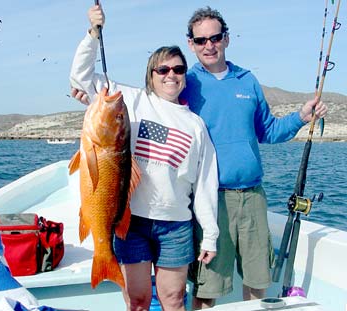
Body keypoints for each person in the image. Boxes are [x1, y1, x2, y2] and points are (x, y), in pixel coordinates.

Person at [69, 5, 219, 311]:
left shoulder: (195, 125)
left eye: (178, 69)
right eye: (162, 70)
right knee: (137, 302)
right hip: (132, 221)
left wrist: (210, 235)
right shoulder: (131, 100)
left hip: (175, 226)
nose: (171, 75)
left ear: (184, 76)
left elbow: (204, 184)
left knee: (174, 300)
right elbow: (80, 75)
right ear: (150, 75)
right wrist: (92, 34)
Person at [180, 6, 328, 309]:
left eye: (215, 37)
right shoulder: (184, 83)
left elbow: (269, 131)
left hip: (253, 197)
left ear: (227, 39)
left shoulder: (247, 81)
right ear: (190, 44)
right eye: (201, 40)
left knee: (259, 282)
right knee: (208, 287)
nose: (209, 45)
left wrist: (301, 116)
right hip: (209, 202)